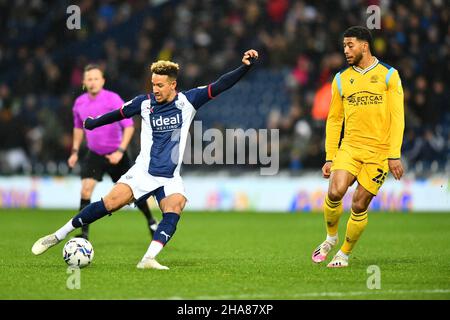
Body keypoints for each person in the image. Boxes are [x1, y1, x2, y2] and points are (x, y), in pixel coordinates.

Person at [32, 49, 259, 270]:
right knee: (110, 203)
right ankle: (57, 235)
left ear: (173, 85)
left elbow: (221, 85)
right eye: (153, 84)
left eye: (160, 85)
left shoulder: (188, 101)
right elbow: (118, 113)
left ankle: (148, 259)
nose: (156, 89)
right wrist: (93, 122)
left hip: (169, 176)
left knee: (175, 206)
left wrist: (244, 68)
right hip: (143, 172)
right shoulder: (145, 103)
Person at [311, 26, 405, 267]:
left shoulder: (388, 75)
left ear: (365, 45)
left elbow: (398, 118)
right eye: (344, 46)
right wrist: (330, 156)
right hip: (350, 147)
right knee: (334, 192)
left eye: (350, 45)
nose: (346, 50)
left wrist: (394, 155)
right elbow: (334, 119)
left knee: (359, 204)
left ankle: (343, 253)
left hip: (379, 152)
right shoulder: (341, 79)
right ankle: (331, 238)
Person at [67, 64, 158, 240]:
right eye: (89, 79)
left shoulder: (113, 99)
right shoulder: (79, 103)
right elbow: (78, 128)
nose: (92, 82)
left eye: (96, 78)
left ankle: (150, 220)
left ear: (102, 81)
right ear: (84, 82)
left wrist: (120, 151)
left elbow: (129, 127)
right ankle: (83, 235)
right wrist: (75, 151)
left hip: (117, 154)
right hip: (94, 154)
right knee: (86, 190)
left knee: (134, 194)